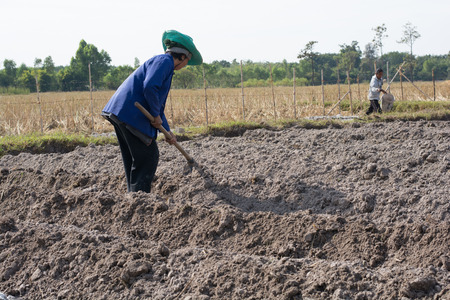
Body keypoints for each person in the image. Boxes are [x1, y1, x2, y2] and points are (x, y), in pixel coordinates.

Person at [102, 30, 202, 193]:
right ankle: (140, 199)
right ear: (182, 57)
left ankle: (133, 197)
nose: (185, 66)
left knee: (134, 158)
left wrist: (168, 132)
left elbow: (157, 106)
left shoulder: (162, 63)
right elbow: (149, 87)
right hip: (130, 113)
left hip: (121, 111)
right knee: (148, 156)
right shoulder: (165, 62)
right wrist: (155, 115)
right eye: (187, 62)